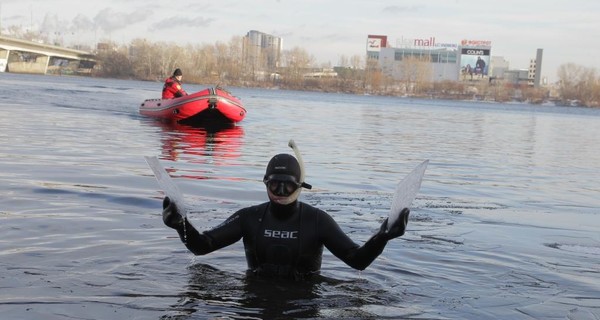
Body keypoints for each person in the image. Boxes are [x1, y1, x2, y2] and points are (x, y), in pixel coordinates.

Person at [161, 153, 410, 280]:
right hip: (254, 304)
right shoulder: (249, 217)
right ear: (265, 184)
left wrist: (383, 237)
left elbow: (357, 261)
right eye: (274, 185)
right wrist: (180, 224)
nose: (280, 192)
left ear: (300, 187)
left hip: (304, 304)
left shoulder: (317, 221)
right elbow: (202, 246)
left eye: (287, 186)